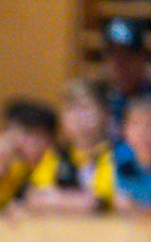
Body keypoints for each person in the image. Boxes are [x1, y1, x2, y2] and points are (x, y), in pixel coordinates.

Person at [26, 81, 116, 214]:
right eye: (70, 109)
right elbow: (33, 197)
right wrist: (73, 201)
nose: (77, 116)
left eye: (85, 108)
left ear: (104, 113)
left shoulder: (115, 154)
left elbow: (97, 202)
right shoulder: (56, 155)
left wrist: (54, 198)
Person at [102, 19, 151, 134]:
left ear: (144, 57)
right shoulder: (100, 101)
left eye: (127, 56)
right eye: (113, 55)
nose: (120, 64)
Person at [112, 94, 151, 212]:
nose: (143, 132)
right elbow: (121, 201)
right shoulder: (119, 158)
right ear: (124, 130)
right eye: (136, 124)